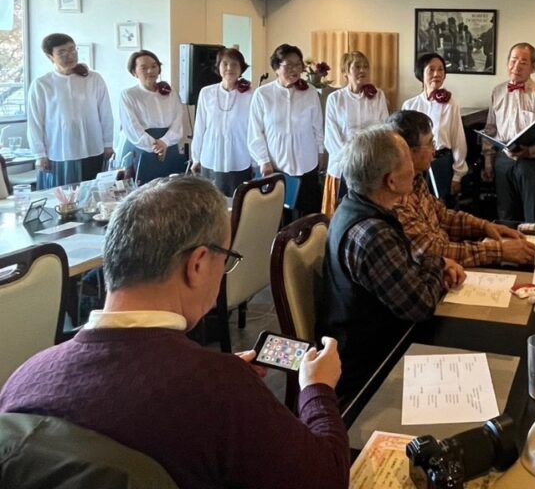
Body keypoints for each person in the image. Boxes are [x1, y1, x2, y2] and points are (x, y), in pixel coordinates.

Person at [0, 176, 350, 489]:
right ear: (198, 264)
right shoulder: (220, 391)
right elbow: (328, 478)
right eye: (225, 260)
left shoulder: (26, 377)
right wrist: (317, 388)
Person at [318, 125, 465, 403]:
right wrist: (438, 262)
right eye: (407, 160)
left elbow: (407, 271)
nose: (415, 167)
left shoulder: (357, 204)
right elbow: (420, 305)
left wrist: (435, 264)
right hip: (370, 363)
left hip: (376, 338)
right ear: (391, 181)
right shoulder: (372, 235)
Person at [390, 110, 535, 266]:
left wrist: (485, 226)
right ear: (407, 151)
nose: (435, 150)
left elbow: (443, 216)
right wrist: (499, 251)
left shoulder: (416, 179)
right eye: (429, 144)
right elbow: (432, 252)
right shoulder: (394, 198)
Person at [481, 43, 535, 223]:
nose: (516, 67)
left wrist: (530, 151)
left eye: (523, 62)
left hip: (532, 162)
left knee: (533, 214)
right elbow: (490, 129)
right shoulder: (498, 91)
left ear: (533, 67)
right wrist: (489, 162)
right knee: (505, 213)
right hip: (503, 160)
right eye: (513, 61)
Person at [27, 32, 114, 187]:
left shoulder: (94, 79)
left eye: (72, 50)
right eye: (62, 52)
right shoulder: (42, 84)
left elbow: (105, 113)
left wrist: (108, 143)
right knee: (63, 195)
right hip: (59, 150)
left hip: (92, 147)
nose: (70, 55)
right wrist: (39, 154)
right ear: (50, 56)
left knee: (92, 192)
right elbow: (35, 122)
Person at [248, 43, 324, 217]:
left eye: (298, 64)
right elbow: (255, 132)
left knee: (306, 216)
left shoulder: (310, 92)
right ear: (276, 68)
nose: (295, 69)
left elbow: (317, 126)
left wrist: (321, 152)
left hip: (307, 164)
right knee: (278, 217)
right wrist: (263, 160)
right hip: (276, 166)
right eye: (288, 65)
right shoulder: (263, 94)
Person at [323, 50, 389, 216]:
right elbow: (332, 138)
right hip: (342, 166)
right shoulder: (335, 99)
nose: (362, 70)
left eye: (365, 66)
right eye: (357, 66)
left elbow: (384, 130)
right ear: (346, 72)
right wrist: (353, 161)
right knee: (343, 215)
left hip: (371, 166)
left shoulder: (378, 96)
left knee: (368, 215)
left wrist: (369, 159)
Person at [402, 52, 468, 201]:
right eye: (431, 70)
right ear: (421, 73)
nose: (436, 74)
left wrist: (458, 175)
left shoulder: (451, 104)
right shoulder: (409, 105)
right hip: (415, 166)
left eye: (440, 70)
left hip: (441, 163)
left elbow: (458, 140)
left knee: (440, 207)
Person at [189, 47, 254, 197]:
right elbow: (200, 127)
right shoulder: (206, 92)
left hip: (239, 159)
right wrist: (196, 157)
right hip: (211, 157)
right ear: (218, 67)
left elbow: (255, 131)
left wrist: (255, 162)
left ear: (241, 68)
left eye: (234, 64)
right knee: (211, 202)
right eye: (225, 64)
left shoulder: (251, 95)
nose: (229, 68)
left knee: (237, 203)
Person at [119, 49, 185, 183]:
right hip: (143, 148)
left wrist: (164, 142)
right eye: (144, 68)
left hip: (169, 145)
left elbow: (178, 119)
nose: (150, 71)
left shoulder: (170, 92)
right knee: (145, 189)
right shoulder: (128, 95)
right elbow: (131, 126)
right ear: (134, 72)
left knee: (171, 187)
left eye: (154, 66)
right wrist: (155, 146)